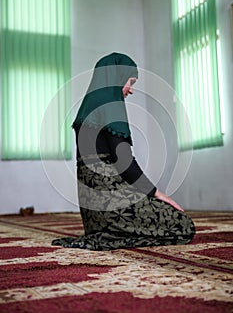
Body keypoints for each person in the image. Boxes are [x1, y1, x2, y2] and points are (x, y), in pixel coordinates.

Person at [52, 52, 195, 251]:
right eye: (131, 82)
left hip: (94, 215)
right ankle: (114, 236)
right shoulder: (110, 103)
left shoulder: (87, 105)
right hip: (111, 209)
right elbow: (124, 162)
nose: (130, 90)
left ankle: (109, 234)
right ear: (118, 76)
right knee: (183, 225)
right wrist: (157, 193)